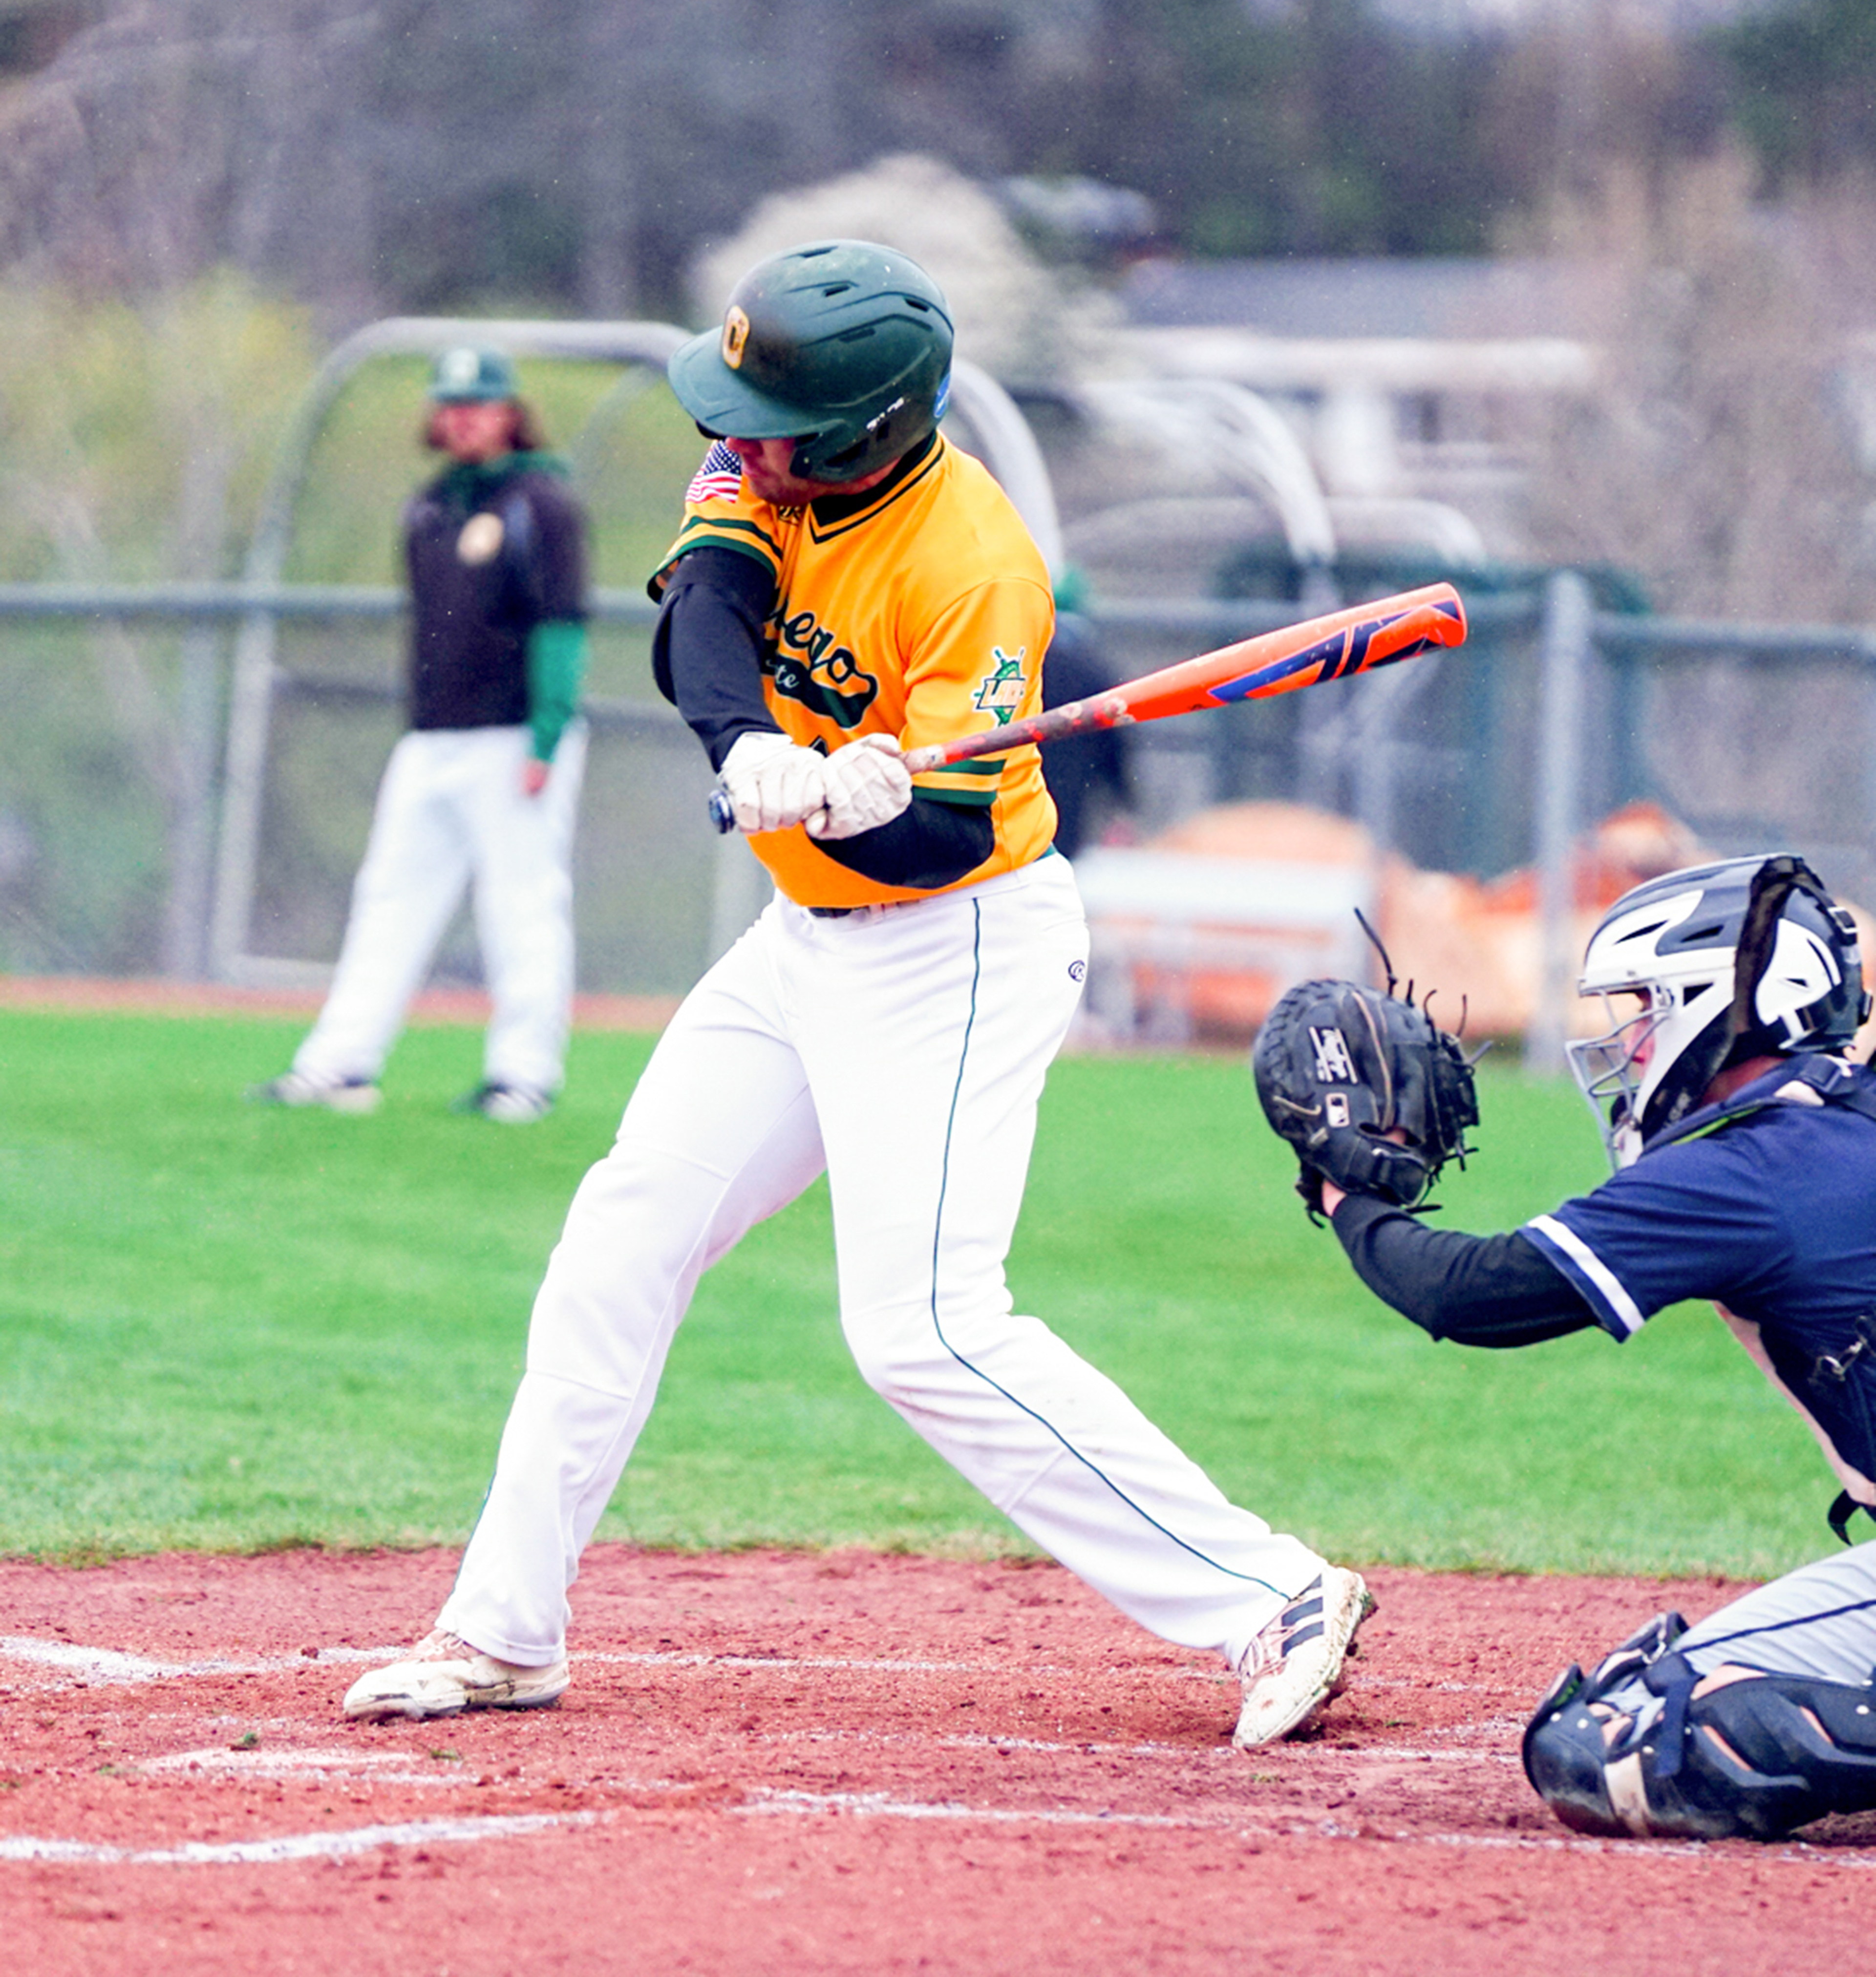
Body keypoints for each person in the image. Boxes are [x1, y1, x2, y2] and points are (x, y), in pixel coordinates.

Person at [340, 240, 1368, 1746]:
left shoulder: (975, 567)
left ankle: (1269, 1591)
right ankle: (503, 1631)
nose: (737, 444)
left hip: (958, 942)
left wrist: (864, 807)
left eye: (772, 428)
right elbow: (702, 616)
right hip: (805, 941)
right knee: (621, 1240)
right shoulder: (760, 467)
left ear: (862, 432)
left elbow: (948, 833)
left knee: (923, 1328)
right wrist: (754, 750)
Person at [1255, 853, 1876, 1841]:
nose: (1630, 1042)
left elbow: (1471, 1294)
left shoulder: (1751, 1169)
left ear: (1728, 1005)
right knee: (1653, 1694)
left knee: (1622, 1737)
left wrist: (1345, 1186)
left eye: (1647, 1008)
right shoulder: (1839, 1124)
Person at [252, 344, 589, 1124]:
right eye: (452, 406)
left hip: (514, 736)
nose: (463, 420)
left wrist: (546, 736)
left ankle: (523, 1075)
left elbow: (563, 624)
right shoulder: (432, 504)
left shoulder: (542, 503)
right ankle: (340, 1063)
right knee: (389, 897)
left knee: (520, 903)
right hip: (432, 734)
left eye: (478, 405)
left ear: (510, 413)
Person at [1039, 568, 1134, 860]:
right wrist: (1122, 799)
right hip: (1072, 787)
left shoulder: (1021, 654)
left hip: (1020, 787)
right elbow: (1114, 740)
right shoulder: (1090, 662)